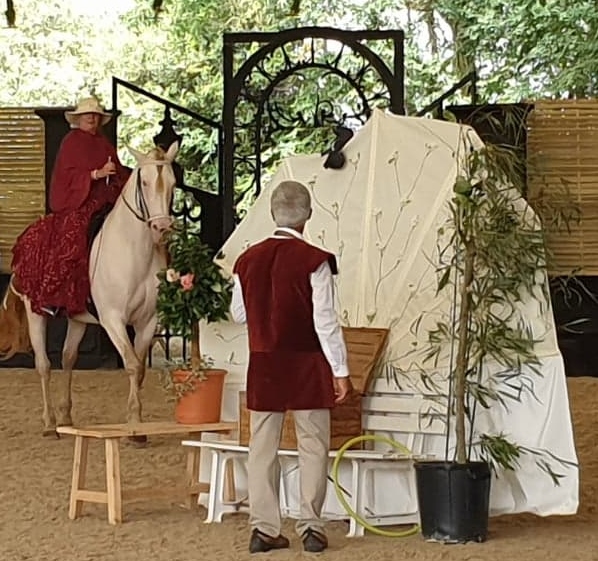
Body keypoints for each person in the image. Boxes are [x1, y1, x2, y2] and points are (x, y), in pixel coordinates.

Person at [230, 180, 353, 554]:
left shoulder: (246, 260)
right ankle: (311, 526)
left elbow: (238, 314)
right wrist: (341, 369)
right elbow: (325, 321)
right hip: (306, 361)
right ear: (309, 214)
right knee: (313, 444)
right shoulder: (314, 260)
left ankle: (264, 528)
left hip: (263, 361)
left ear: (272, 213)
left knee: (261, 447)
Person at [11, 96, 131, 317]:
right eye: (88, 115)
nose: (92, 119)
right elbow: (66, 176)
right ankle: (53, 296)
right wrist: (95, 174)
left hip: (106, 200)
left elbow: (119, 171)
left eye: (95, 115)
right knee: (73, 237)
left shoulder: (104, 144)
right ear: (79, 118)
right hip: (80, 203)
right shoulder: (71, 141)